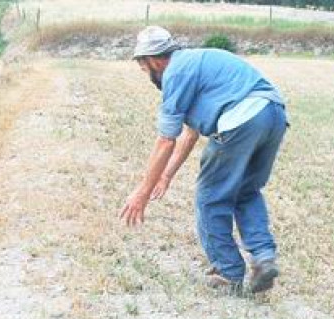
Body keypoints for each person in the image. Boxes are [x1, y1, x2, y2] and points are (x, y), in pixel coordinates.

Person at [120, 26, 288, 295]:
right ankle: (263, 257)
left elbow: (166, 140)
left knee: (211, 196)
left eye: (144, 70)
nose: (146, 75)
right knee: (246, 190)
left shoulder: (174, 72)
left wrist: (142, 191)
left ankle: (227, 272)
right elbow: (190, 134)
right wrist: (165, 176)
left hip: (239, 120)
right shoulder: (197, 61)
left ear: (152, 60)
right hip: (273, 114)